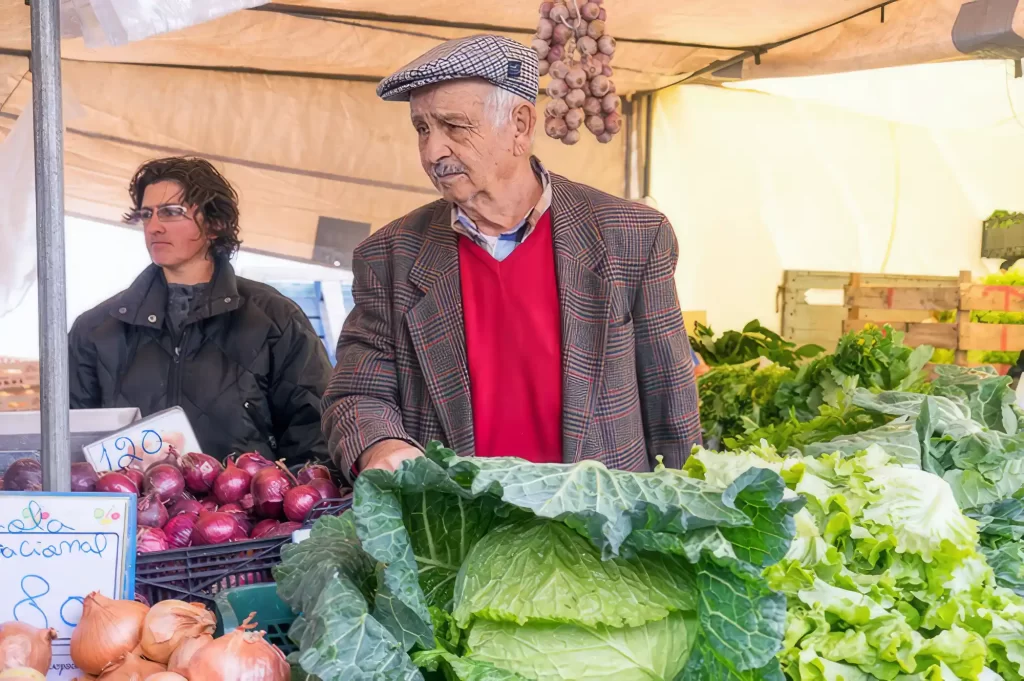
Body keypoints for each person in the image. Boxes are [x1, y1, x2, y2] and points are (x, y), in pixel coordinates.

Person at [323, 35, 701, 477]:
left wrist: (679, 519)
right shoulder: (390, 256)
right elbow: (356, 393)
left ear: (520, 126)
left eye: (454, 127)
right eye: (422, 129)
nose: (432, 152)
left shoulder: (632, 236)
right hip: (461, 530)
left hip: (601, 526)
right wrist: (381, 445)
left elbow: (670, 400)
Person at [69, 157, 332, 467]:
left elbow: (316, 438)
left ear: (215, 224)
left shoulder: (275, 319)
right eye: (146, 214)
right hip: (132, 512)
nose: (154, 226)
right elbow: (70, 447)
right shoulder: (96, 329)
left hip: (241, 512)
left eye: (171, 212)